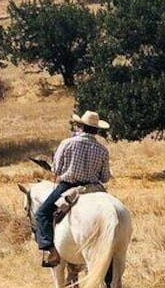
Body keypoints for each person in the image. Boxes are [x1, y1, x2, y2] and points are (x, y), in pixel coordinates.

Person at [35, 110, 112, 268]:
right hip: (93, 188)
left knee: (42, 213)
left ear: (80, 126)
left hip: (68, 186)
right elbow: (104, 178)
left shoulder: (67, 143)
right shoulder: (103, 150)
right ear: (97, 130)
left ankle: (52, 251)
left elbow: (56, 170)